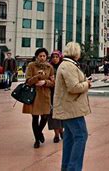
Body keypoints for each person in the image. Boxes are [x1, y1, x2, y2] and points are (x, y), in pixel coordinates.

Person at [53, 42, 92, 171]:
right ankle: (74, 168)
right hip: (72, 108)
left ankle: (66, 167)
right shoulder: (68, 66)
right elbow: (73, 87)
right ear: (76, 52)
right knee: (81, 135)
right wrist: (87, 84)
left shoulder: (66, 65)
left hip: (69, 107)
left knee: (70, 138)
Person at [23, 48, 55, 149]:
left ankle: (39, 132)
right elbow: (28, 81)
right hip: (35, 95)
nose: (42, 58)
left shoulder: (50, 67)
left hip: (45, 94)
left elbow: (53, 83)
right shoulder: (31, 66)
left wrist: (45, 82)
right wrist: (37, 76)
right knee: (35, 117)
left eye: (44, 56)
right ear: (37, 56)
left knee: (45, 116)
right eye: (40, 56)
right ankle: (37, 139)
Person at [47, 50, 64, 143]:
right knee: (53, 115)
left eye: (57, 57)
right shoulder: (49, 67)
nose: (55, 59)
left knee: (61, 114)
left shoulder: (63, 67)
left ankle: (61, 131)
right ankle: (56, 134)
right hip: (51, 93)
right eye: (53, 57)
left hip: (61, 94)